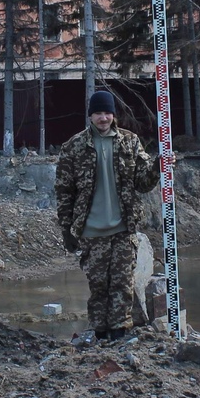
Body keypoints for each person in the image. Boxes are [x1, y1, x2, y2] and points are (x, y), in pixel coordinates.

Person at [55, 90, 159, 341]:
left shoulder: (130, 142)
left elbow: (143, 183)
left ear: (114, 115)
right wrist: (66, 227)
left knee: (123, 285)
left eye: (107, 113)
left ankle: (120, 333)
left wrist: (158, 167)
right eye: (98, 113)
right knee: (99, 286)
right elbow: (64, 190)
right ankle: (100, 334)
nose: (103, 118)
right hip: (91, 230)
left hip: (123, 227)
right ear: (91, 116)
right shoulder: (73, 146)